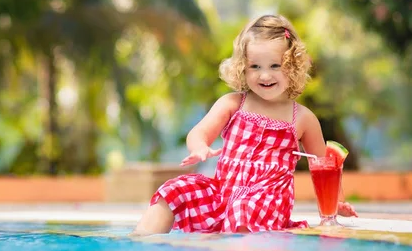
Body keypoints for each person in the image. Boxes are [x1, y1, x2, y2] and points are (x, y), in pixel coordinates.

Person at [132, 14, 357, 235]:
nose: (265, 75)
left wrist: (337, 202)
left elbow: (325, 166)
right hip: (223, 193)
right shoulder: (233, 103)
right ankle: (140, 242)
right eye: (255, 67)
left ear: (293, 66)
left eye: (275, 65)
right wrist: (199, 147)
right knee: (173, 190)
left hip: (266, 201)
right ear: (242, 67)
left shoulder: (302, 118)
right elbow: (199, 132)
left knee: (243, 209)